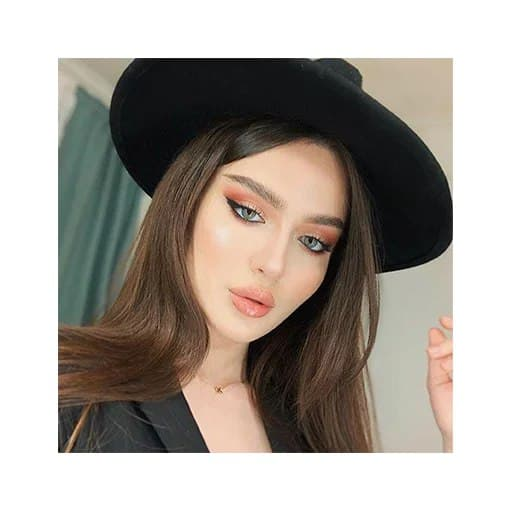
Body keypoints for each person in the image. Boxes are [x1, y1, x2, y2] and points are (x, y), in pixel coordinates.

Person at [58, 58, 453, 453]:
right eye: (248, 212)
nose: (274, 264)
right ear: (186, 201)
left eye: (313, 242)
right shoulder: (66, 384)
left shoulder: (315, 438)